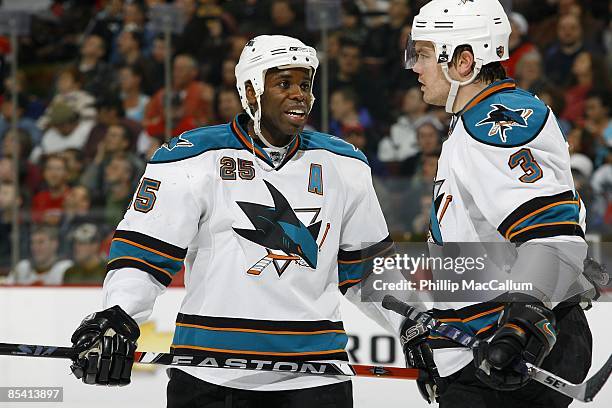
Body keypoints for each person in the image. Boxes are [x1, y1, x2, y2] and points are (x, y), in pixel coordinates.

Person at [69, 35, 398, 407]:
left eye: (305, 85)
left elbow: (371, 272)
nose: (299, 95)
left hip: (315, 378)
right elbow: (143, 255)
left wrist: (414, 324)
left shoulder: (345, 164)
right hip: (208, 376)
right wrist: (119, 315)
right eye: (284, 83)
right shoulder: (192, 158)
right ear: (251, 90)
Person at [400, 1, 593, 407]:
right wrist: (435, 331)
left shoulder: (494, 119)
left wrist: (521, 327)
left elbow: (552, 234)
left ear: (464, 61)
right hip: (481, 345)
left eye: (423, 54)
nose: (414, 67)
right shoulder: (468, 123)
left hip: (512, 351)